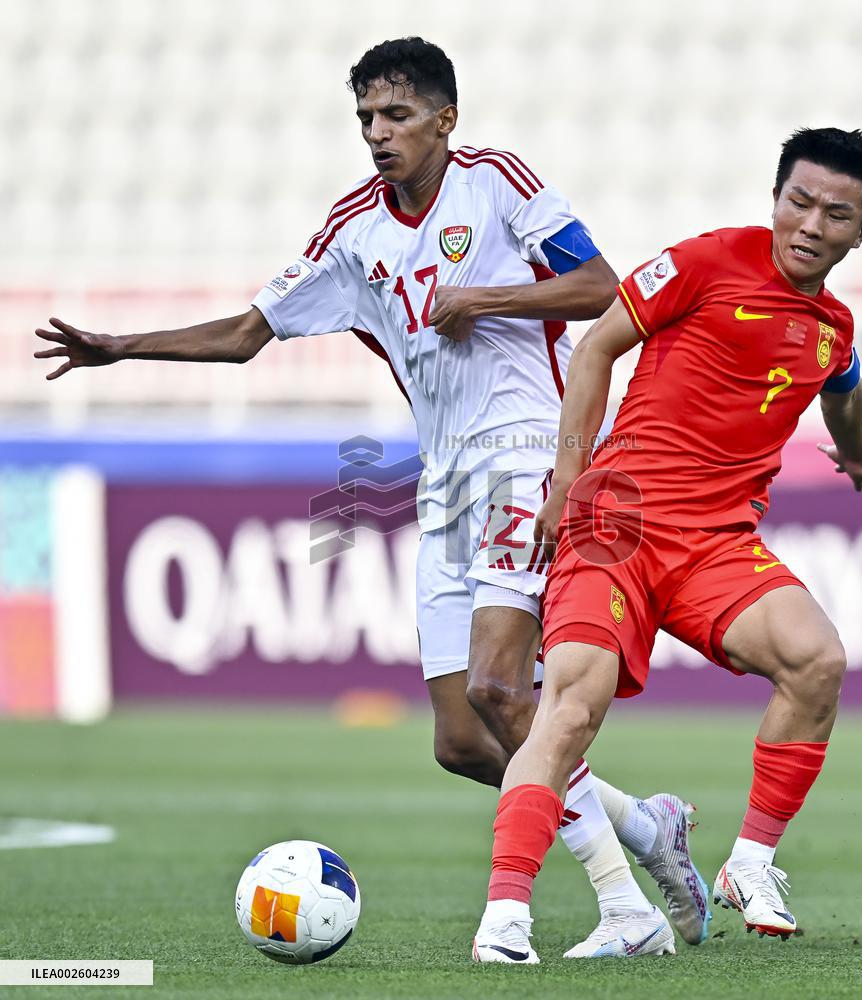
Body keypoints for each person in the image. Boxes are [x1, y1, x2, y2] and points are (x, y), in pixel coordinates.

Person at [34, 37, 707, 957]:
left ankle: (626, 911)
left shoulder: (497, 183)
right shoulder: (353, 230)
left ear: (445, 119)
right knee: (462, 741)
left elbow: (598, 289)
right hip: (444, 478)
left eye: (394, 116)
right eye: (364, 119)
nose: (377, 135)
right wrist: (123, 347)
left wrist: (485, 297)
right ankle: (641, 823)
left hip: (524, 454)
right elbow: (243, 334)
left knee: (500, 688)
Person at [471, 127, 862, 963]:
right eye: (797, 201)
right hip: (617, 523)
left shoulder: (831, 328)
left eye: (834, 214)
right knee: (568, 712)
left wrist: (852, 451)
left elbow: (843, 388)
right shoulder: (702, 262)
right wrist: (566, 479)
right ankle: (505, 916)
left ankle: (749, 864)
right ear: (774, 198)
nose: (809, 224)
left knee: (818, 659)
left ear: (859, 231)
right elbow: (595, 348)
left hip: (713, 545)